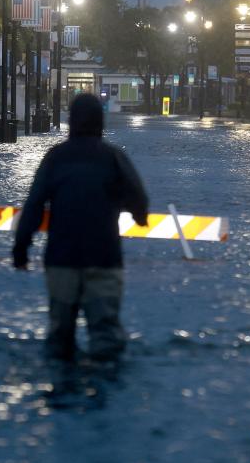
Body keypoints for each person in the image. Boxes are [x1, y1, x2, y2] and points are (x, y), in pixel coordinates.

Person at [14, 93, 149, 361]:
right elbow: (139, 198)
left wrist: (21, 248)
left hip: (62, 259)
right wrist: (138, 216)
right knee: (106, 335)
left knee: (59, 338)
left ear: (70, 122)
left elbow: (34, 205)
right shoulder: (113, 158)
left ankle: (61, 392)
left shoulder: (55, 159)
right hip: (104, 258)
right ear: (101, 123)